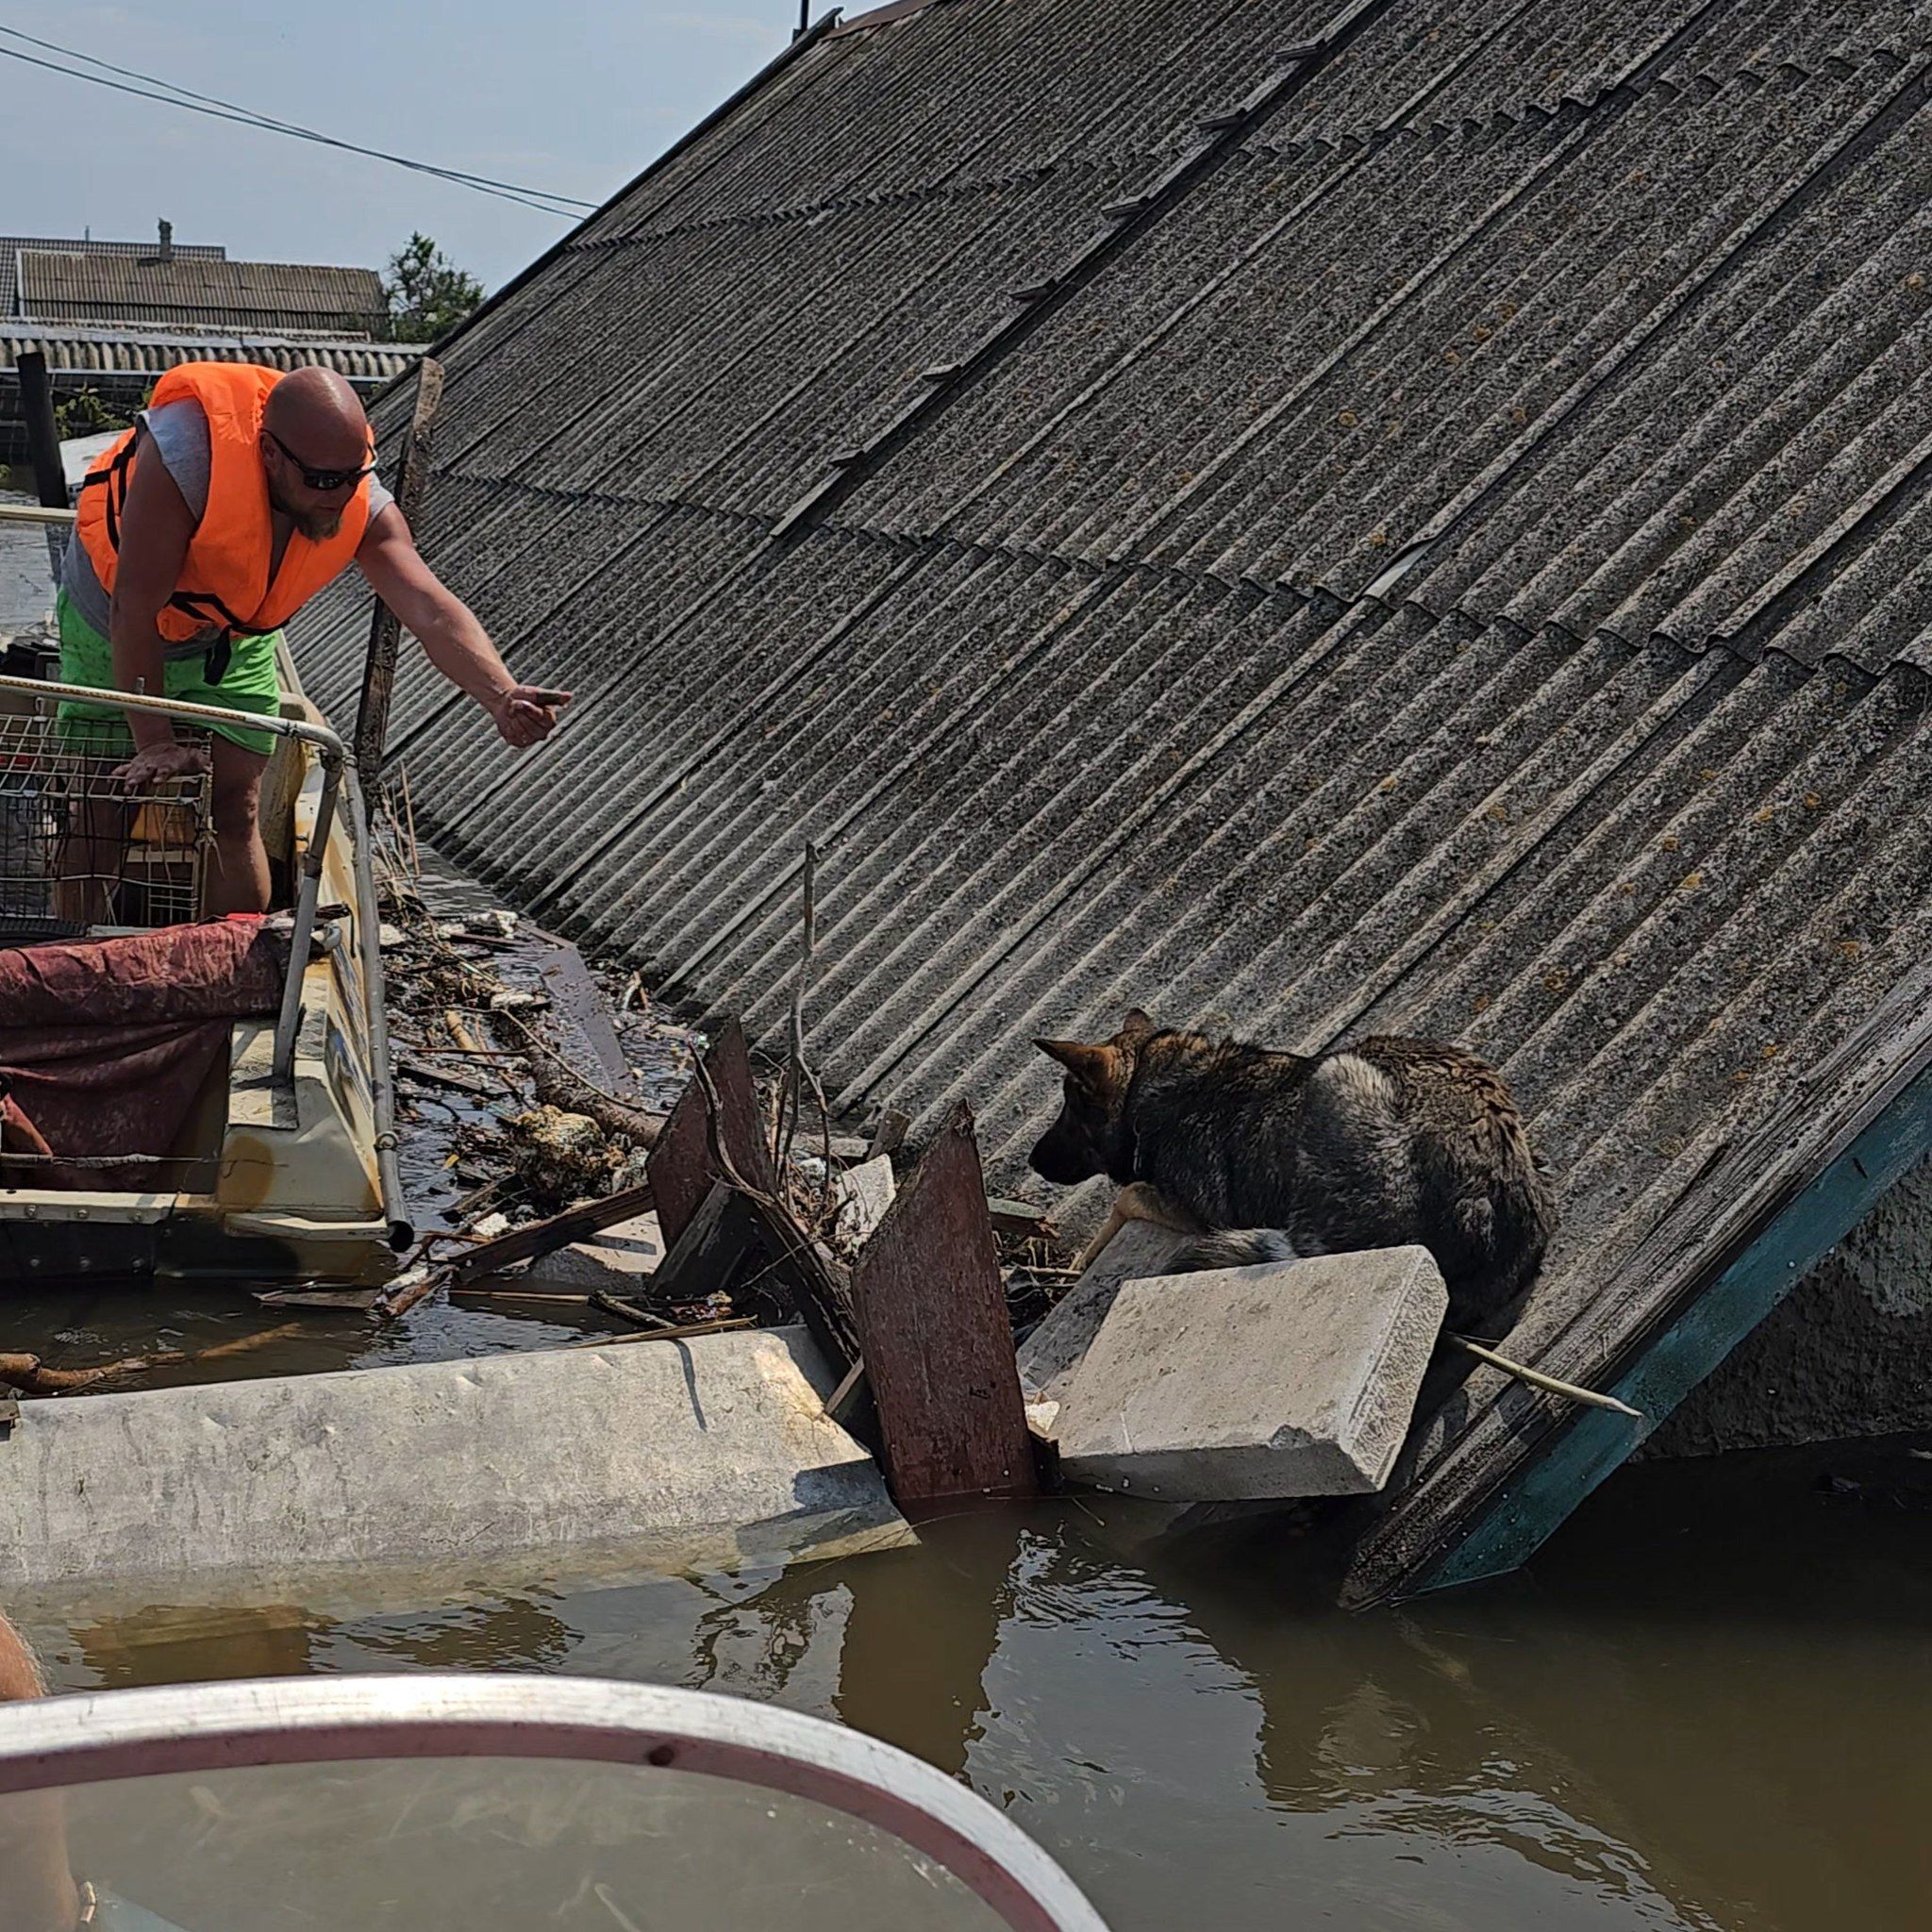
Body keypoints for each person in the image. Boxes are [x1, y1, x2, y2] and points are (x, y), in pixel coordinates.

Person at [58, 361, 571, 914]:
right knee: (104, 808)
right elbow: (134, 609)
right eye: (324, 481)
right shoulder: (185, 457)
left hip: (230, 641)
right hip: (116, 627)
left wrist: (500, 694)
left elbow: (427, 606)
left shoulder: (356, 495)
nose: (340, 495)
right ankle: (65, 950)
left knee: (238, 808)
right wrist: (154, 740)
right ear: (270, 454)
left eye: (353, 477)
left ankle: (236, 956)